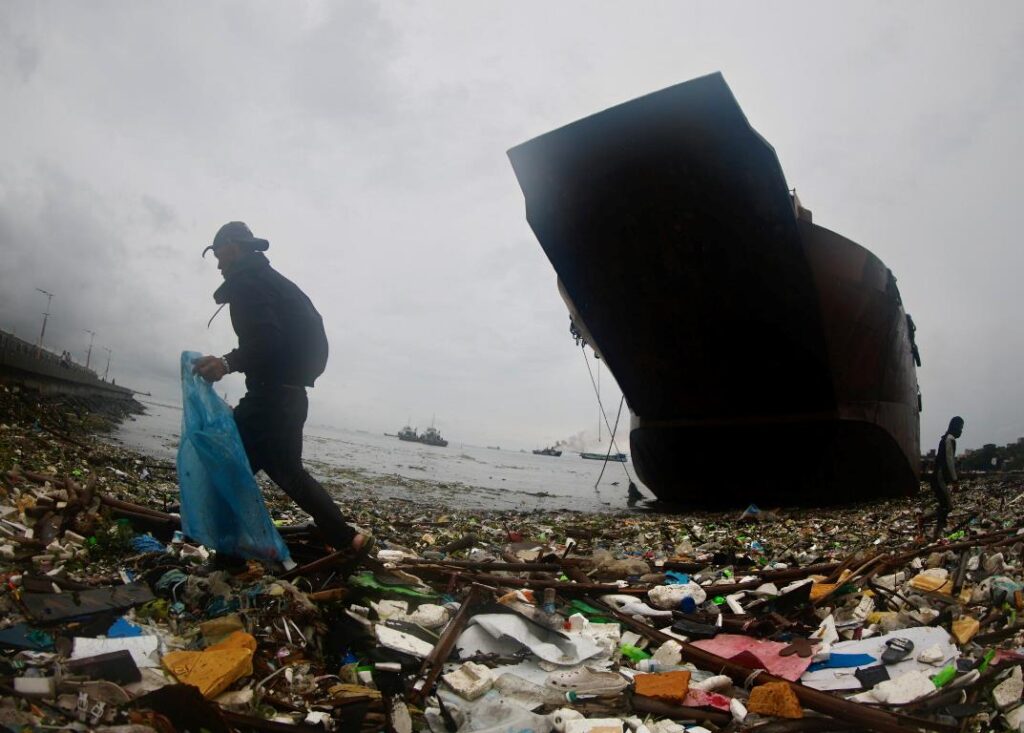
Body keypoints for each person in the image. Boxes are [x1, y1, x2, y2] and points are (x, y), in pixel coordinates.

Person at [193, 221, 371, 558]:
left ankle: (228, 556)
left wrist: (226, 363)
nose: (218, 264)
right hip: (290, 397)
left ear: (234, 246)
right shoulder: (272, 282)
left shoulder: (249, 284)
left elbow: (267, 341)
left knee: (229, 469)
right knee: (287, 471)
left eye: (218, 254)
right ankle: (349, 540)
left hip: (269, 400)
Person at [930, 416, 964, 538]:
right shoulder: (949, 439)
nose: (961, 431)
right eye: (960, 428)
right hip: (939, 478)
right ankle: (938, 533)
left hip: (938, 477)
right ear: (954, 427)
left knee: (944, 504)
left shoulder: (946, 439)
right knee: (947, 506)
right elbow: (949, 461)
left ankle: (936, 529)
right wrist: (955, 480)